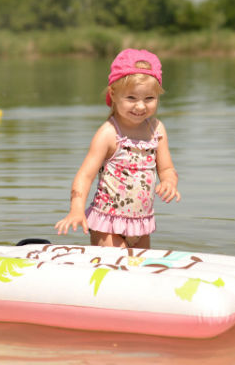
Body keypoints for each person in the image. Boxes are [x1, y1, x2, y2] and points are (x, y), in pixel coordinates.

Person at [54, 48, 180, 248]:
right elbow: (85, 176)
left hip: (141, 224)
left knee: (138, 272)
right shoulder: (109, 133)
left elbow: (166, 169)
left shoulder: (157, 130)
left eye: (149, 99)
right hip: (107, 223)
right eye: (131, 98)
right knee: (118, 268)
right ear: (113, 94)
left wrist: (169, 182)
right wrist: (76, 210)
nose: (140, 106)